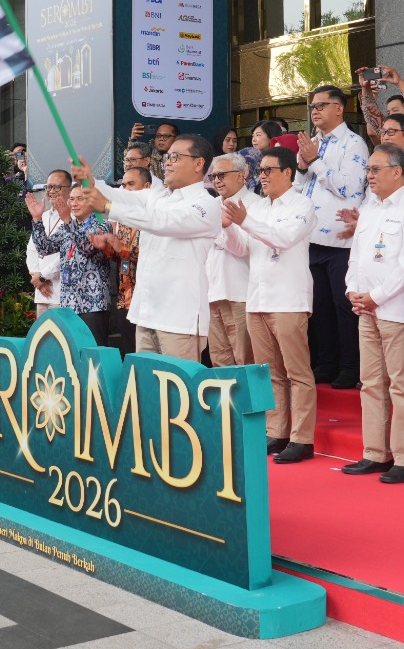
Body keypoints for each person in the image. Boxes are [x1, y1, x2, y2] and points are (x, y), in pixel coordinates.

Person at [76, 135, 219, 360]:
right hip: (147, 313)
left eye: (175, 157)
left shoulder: (207, 204)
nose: (167, 162)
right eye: (167, 157)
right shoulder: (158, 196)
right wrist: (92, 182)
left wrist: (108, 206)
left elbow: (164, 222)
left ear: (198, 163)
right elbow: (121, 196)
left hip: (179, 318)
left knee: (178, 380)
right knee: (145, 380)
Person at [224, 146, 317, 461]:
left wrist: (245, 221)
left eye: (268, 170)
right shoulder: (259, 207)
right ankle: (277, 432)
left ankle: (302, 438)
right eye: (260, 170)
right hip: (258, 298)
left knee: (297, 372)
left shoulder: (302, 204)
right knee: (269, 372)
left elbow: (284, 238)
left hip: (289, 300)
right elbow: (242, 249)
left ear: (288, 172)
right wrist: (230, 226)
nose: (261, 176)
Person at [343, 144, 404, 483]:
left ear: (397, 172)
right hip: (366, 309)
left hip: (397, 310)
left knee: (402, 385)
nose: (370, 175)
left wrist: (375, 296)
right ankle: (375, 452)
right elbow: (356, 256)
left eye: (376, 169)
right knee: (371, 383)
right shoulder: (369, 208)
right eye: (368, 169)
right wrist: (352, 290)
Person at [297, 85, 370, 388]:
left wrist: (315, 161)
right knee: (320, 306)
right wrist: (302, 165)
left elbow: (347, 188)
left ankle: (350, 367)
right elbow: (299, 188)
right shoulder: (314, 142)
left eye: (321, 105)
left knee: (343, 307)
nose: (314, 111)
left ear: (339, 108)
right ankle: (326, 364)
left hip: (341, 239)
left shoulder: (354, 144)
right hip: (310, 237)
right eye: (312, 106)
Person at [27, 184, 115, 345]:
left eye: (80, 199)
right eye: (72, 199)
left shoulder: (102, 225)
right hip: (68, 304)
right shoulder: (67, 227)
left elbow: (87, 247)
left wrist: (68, 220)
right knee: (72, 353)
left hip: (93, 305)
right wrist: (37, 220)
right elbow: (44, 248)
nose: (74, 203)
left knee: (93, 353)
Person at [206, 152, 255, 366]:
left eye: (222, 175)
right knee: (219, 361)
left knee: (245, 361)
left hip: (240, 291)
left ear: (241, 175)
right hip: (211, 291)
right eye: (214, 176)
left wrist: (220, 230)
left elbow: (243, 248)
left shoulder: (255, 204)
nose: (217, 180)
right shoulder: (210, 205)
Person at [107, 166, 149, 354]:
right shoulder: (123, 218)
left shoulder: (155, 217)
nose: (125, 189)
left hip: (148, 301)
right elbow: (119, 256)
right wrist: (107, 248)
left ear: (146, 187)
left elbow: (151, 256)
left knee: (148, 356)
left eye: (131, 184)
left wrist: (122, 248)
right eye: (123, 185)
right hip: (126, 299)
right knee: (129, 354)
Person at [27, 171, 70, 314]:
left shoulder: (73, 218)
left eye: (56, 187)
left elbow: (66, 254)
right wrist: (36, 277)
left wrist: (43, 276)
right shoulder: (42, 216)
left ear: (69, 189)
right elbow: (32, 249)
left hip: (62, 293)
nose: (51, 191)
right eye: (48, 187)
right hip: (41, 292)